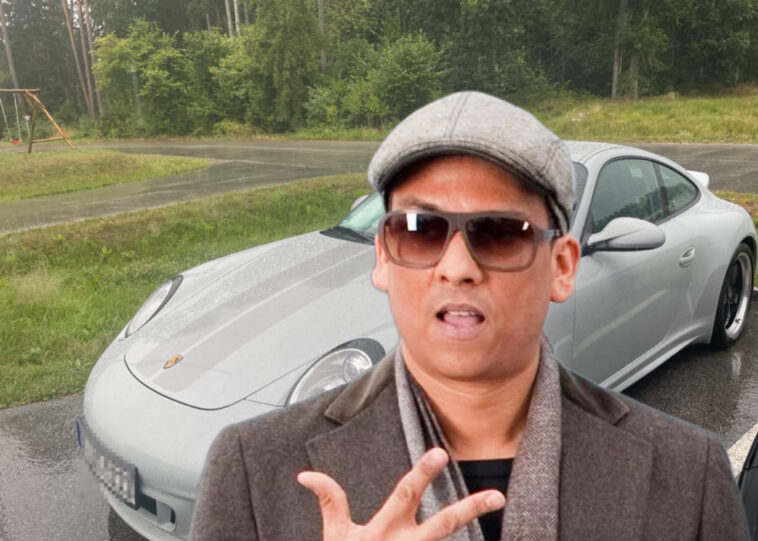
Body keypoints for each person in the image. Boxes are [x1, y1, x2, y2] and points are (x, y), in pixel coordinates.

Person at [189, 91, 749, 540]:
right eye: (419, 229)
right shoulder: (251, 469)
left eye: (501, 232)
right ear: (383, 257)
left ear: (561, 267)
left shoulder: (688, 474)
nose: (457, 268)